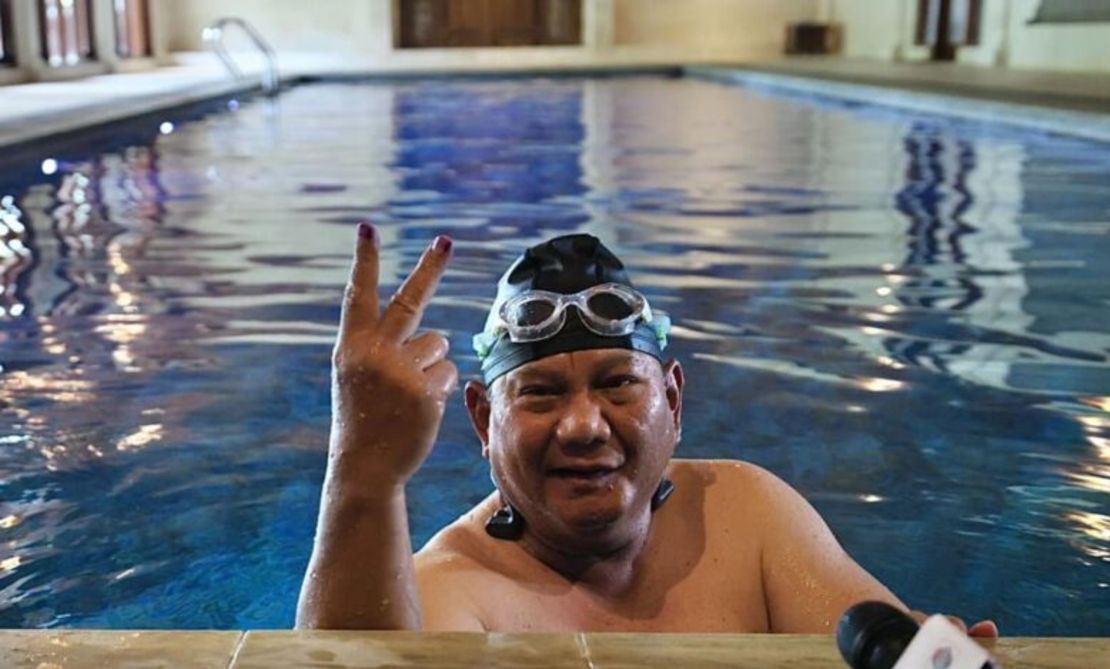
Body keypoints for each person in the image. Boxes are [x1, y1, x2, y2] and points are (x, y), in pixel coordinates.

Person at [296, 226, 999, 636]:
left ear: (673, 397)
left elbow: (882, 645)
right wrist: (363, 467)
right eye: (539, 393)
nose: (581, 425)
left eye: (616, 383)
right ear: (483, 419)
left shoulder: (746, 510)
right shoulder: (453, 589)